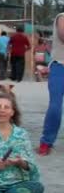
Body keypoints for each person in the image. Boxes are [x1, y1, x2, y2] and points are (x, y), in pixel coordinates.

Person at [39, 13, 64, 156]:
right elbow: (62, 35)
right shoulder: (62, 17)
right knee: (55, 106)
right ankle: (46, 141)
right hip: (60, 67)